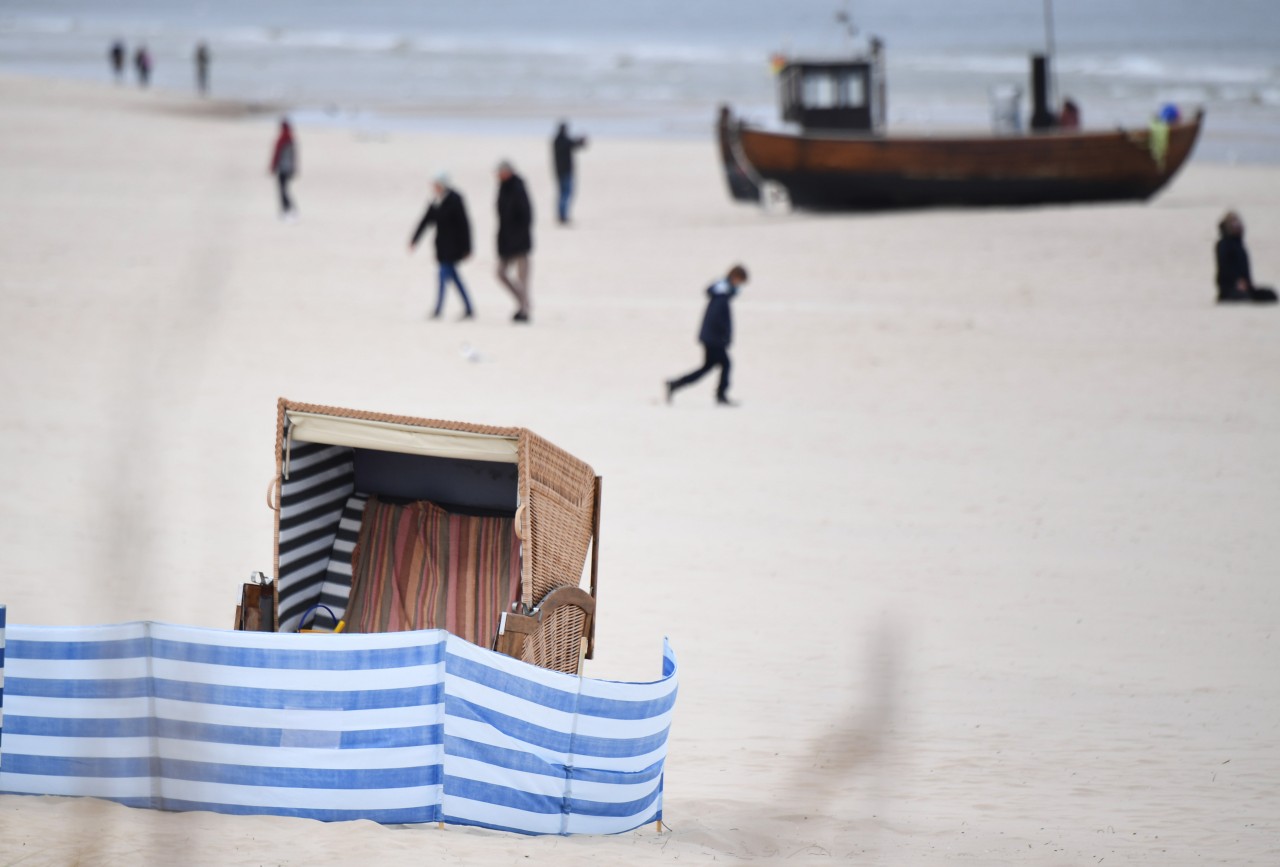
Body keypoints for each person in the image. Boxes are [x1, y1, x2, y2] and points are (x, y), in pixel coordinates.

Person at [665, 265, 750, 406]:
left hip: (711, 337)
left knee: (709, 367)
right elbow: (716, 319)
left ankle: (675, 384)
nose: (739, 285)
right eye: (740, 281)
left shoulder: (721, 292)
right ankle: (720, 395)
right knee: (725, 364)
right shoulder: (722, 295)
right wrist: (723, 337)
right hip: (714, 339)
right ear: (735, 277)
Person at [409, 174, 475, 320]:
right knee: (454, 278)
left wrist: (467, 247)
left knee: (443, 275)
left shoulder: (455, 200)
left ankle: (438, 309)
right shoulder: (436, 201)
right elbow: (425, 221)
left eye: (437, 185)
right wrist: (414, 239)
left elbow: (465, 225)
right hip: (441, 246)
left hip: (454, 246)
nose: (435, 188)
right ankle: (469, 308)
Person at [495, 160, 533, 322]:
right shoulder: (502, 188)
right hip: (506, 241)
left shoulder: (518, 188)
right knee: (500, 273)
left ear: (508, 172)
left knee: (522, 277)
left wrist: (519, 239)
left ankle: (524, 310)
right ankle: (523, 302)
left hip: (520, 242)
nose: (498, 176)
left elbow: (527, 216)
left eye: (500, 173)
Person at [1215, 211, 1276, 304]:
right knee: (1244, 299)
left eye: (1237, 223)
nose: (1237, 226)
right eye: (1233, 224)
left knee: (1271, 295)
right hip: (1228, 289)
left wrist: (1247, 283)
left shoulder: (1239, 244)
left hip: (1246, 286)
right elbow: (1224, 268)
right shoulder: (1223, 244)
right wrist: (1237, 281)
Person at [552, 121, 587, 224]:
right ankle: (563, 216)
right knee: (566, 193)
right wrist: (581, 140)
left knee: (562, 193)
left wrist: (580, 141)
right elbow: (574, 144)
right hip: (566, 171)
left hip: (559, 171)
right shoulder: (563, 141)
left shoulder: (556, 141)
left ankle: (561, 215)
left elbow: (574, 144)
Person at [268, 119, 298, 219]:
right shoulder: (291, 139)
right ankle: (287, 210)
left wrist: (273, 166)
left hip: (282, 168)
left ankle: (287, 210)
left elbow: (276, 155)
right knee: (284, 189)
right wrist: (294, 168)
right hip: (289, 168)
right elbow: (294, 156)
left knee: (282, 190)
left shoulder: (282, 139)